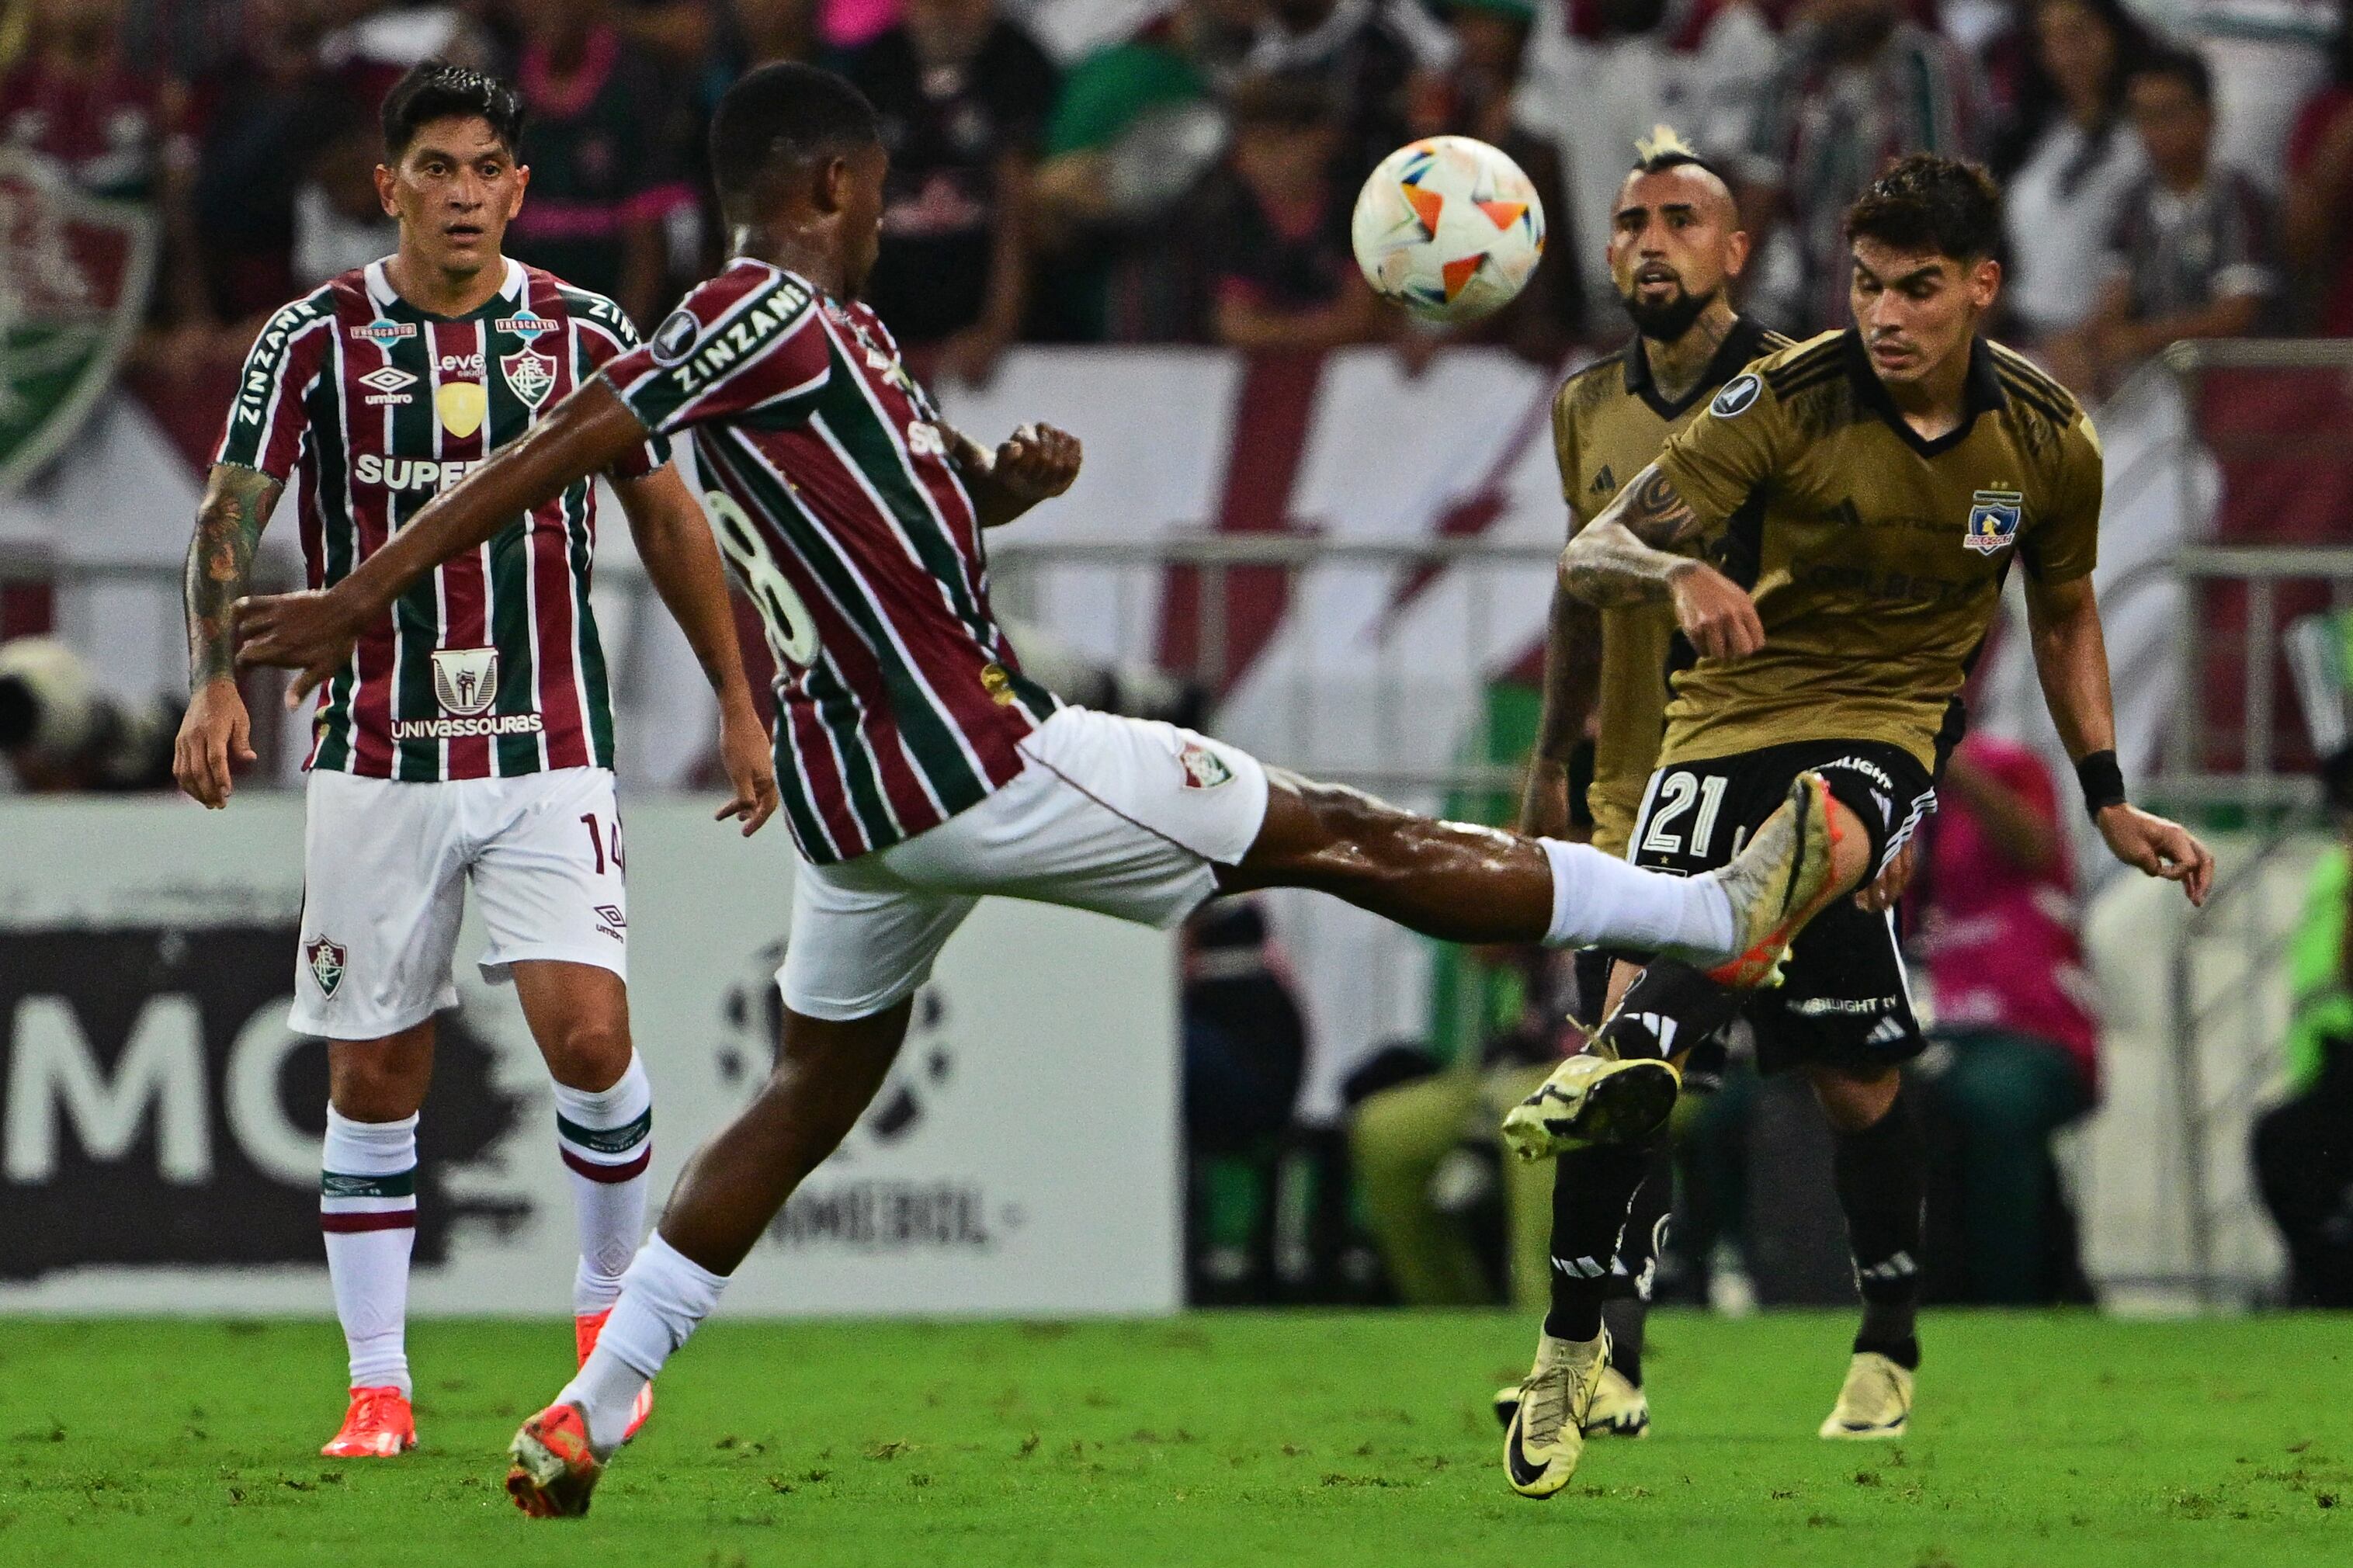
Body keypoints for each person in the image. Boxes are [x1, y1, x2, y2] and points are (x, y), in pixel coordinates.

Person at [227, 61, 1849, 1517]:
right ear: (832, 188)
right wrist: (363, 592)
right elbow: (583, 426)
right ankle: (1712, 912)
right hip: (983, 759)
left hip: (859, 814)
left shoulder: (843, 345)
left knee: (805, 1095)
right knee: (1350, 835)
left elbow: (891, 535)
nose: (886, 224)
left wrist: (993, 487)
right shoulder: (759, 307)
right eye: (871, 197)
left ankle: (586, 1408)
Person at [1498, 153, 2213, 1498]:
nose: (1884, 316)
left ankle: (1871, 1315)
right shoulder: (1785, 396)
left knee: (1802, 852)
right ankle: (1567, 1353)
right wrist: (1680, 563)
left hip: (1880, 735)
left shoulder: (2049, 438)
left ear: (1980, 290)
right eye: (1866, 285)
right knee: (1854, 1081)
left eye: (1917, 290)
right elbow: (1592, 554)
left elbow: (2061, 612)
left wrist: (2108, 794)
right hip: (1720, 735)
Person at [170, 61, 778, 1462]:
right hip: (375, 757)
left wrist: (740, 704)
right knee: (376, 1079)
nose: (460, 193)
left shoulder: (581, 331)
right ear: (387, 187)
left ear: (520, 187)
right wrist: (213, 685)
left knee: (593, 1036)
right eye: (432, 169)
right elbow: (229, 511)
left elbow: (670, 519)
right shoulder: (311, 337)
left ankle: (600, 1324)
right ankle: (376, 1387)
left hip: (548, 745)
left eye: (483, 170)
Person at [1513, 129, 1790, 1441]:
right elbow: (1578, 586)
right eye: (1630, 222)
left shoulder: (1799, 395)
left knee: (1699, 1072)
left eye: (1681, 219)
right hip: (1629, 789)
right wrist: (1552, 759)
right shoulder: (1584, 407)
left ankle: (1623, 1340)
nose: (1650, 241)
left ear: (1734, 251)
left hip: (1770, 784)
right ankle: (1608, 1357)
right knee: (1625, 1069)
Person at [1911, 734, 2099, 1303]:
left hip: (2033, 1026)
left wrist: (1952, 766)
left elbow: (2035, 847)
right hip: (1937, 1018)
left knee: (1991, 1099)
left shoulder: (2008, 767)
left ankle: (2005, 1297)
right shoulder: (1881, 792)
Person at [845, 0, 1059, 383]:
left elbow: (1020, 206)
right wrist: (858, 326)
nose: (945, 12)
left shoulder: (1020, 63)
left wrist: (998, 326)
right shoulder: (874, 70)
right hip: (893, 322)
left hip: (1001, 345)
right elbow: (854, 205)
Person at [1738, 0, 1984, 332]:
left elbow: (1944, 221)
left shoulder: (1931, 70)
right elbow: (1755, 209)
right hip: (1800, 318)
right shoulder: (1792, 67)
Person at [2057, 47, 2276, 394]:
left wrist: (2142, 339)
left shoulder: (2237, 200)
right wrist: (2085, 341)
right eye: (2142, 116)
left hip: (2234, 392)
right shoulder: (2135, 203)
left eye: (2167, 114)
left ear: (2207, 117)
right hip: (2155, 387)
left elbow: (2237, 314)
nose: (2152, 130)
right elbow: (2115, 296)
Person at [498, 0, 699, 328]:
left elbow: (648, 238)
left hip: (611, 296)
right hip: (523, 305)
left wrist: (620, 347)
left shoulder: (636, 82)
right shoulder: (502, 80)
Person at [1993, 0, 2151, 352]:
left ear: (2113, 34)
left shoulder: (2146, 135)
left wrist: (2092, 338)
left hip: (2114, 347)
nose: (2065, 56)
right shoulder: (2031, 137)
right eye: (2050, 40)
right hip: (2027, 341)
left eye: (2078, 33)